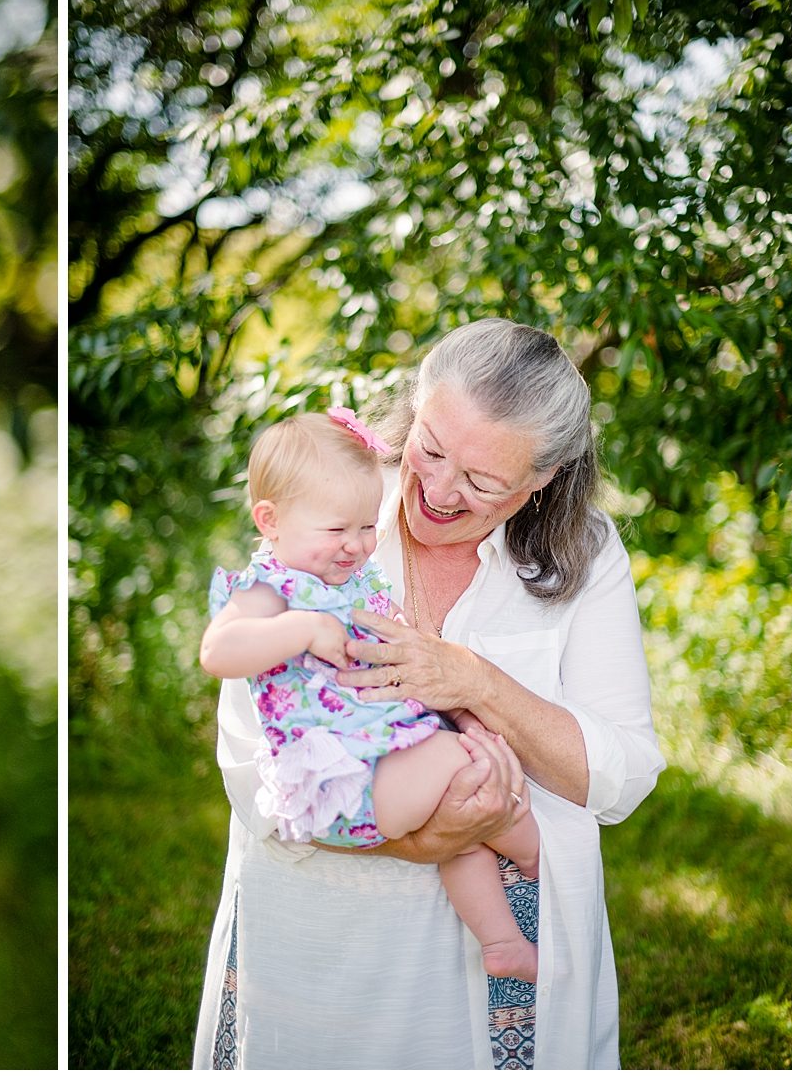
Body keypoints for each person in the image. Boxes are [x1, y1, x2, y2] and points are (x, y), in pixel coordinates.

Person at [193, 319, 664, 1069]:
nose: (438, 492)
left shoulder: (588, 553)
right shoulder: (332, 506)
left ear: (541, 478)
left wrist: (475, 681)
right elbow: (254, 760)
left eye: (481, 481)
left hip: (501, 954)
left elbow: (622, 776)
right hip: (320, 941)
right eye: (431, 450)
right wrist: (424, 839)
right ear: (414, 408)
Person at [200, 408, 541, 987]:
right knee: (469, 766)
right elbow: (219, 650)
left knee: (462, 841)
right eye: (337, 531)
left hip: (381, 758)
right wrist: (301, 630)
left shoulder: (354, 582)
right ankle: (538, 857)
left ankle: (502, 942)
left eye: (365, 528)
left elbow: (414, 653)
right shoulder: (271, 588)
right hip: (343, 785)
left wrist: (457, 706)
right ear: (270, 520)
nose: (356, 546)